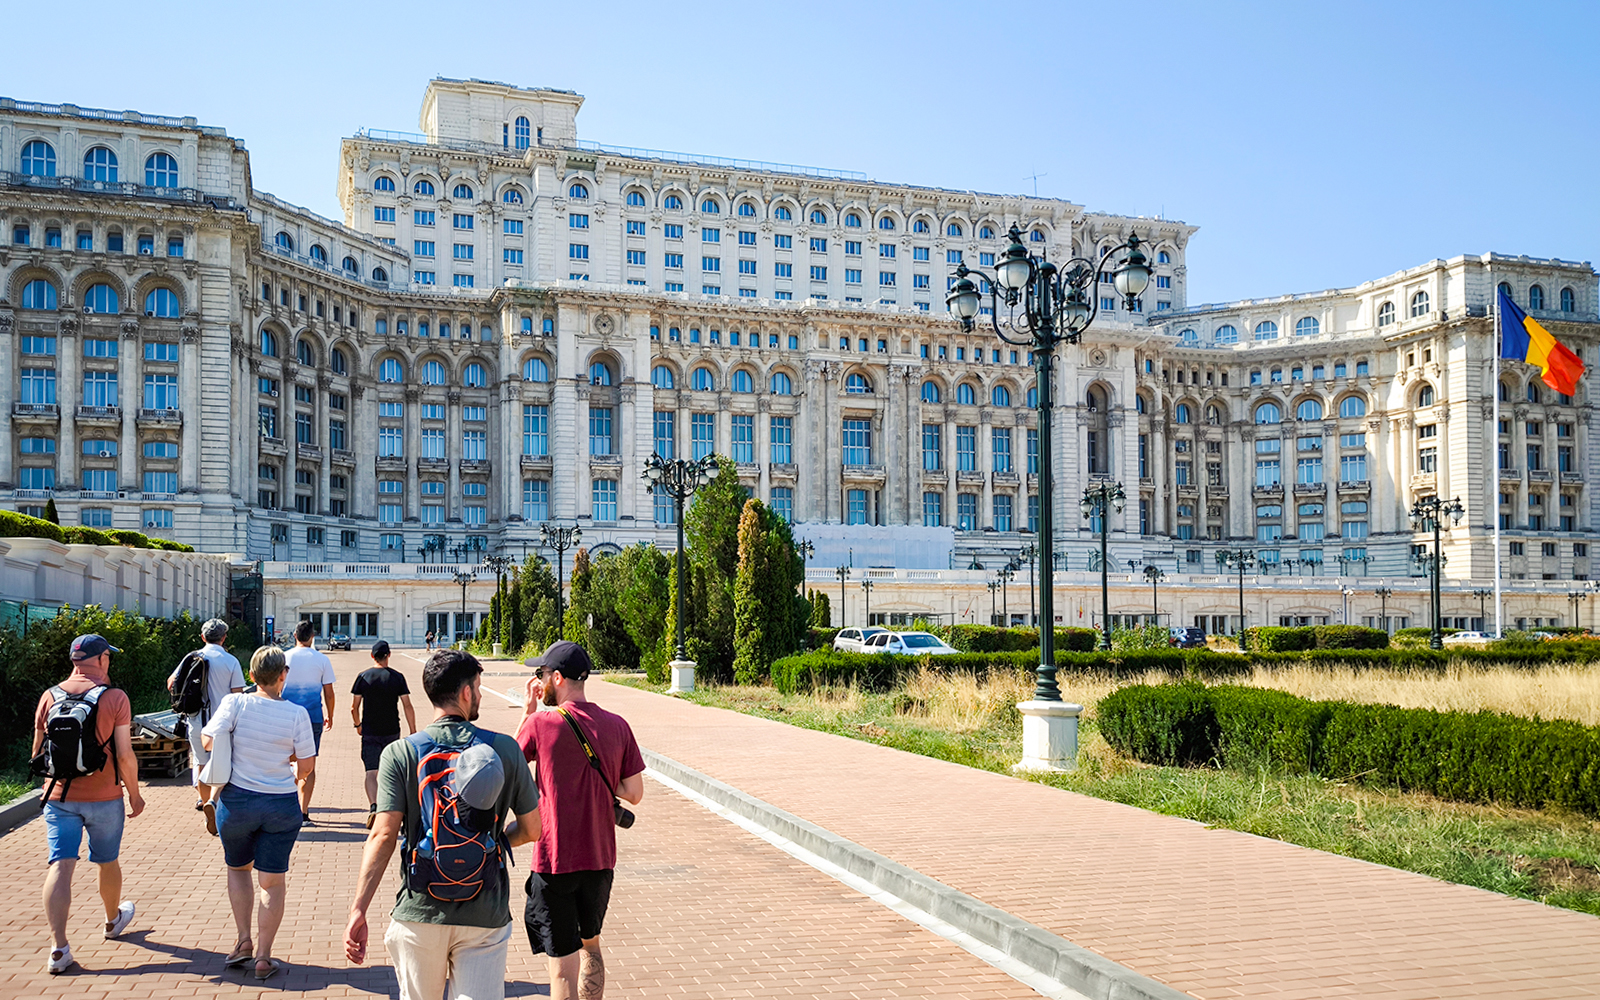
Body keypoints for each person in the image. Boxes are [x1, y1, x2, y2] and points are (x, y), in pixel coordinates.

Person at [345, 649, 541, 1000]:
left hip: (420, 908)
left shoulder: (401, 753)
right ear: (466, 693)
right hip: (485, 910)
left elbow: (384, 834)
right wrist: (497, 840)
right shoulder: (506, 750)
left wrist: (359, 908)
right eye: (478, 688)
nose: (479, 695)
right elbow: (532, 829)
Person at [515, 641, 644, 1000]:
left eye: (541, 675)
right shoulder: (618, 725)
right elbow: (634, 792)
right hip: (600, 859)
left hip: (555, 860)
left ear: (557, 678)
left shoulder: (541, 723)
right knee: (591, 946)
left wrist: (526, 711)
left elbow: (506, 767)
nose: (539, 681)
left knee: (561, 971)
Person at [202, 645, 316, 981]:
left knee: (238, 869)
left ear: (252, 676)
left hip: (237, 802)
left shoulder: (235, 703)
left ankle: (243, 940)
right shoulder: (297, 714)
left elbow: (208, 741)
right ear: (284, 675)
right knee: (273, 881)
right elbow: (306, 767)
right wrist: (287, 762)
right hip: (281, 803)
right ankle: (265, 956)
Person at [33, 634, 145, 975]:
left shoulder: (49, 696)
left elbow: (37, 753)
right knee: (107, 861)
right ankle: (112, 920)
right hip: (105, 797)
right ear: (102, 660)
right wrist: (135, 793)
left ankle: (58, 948)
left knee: (60, 866)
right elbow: (124, 755)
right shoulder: (115, 698)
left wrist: (46, 790)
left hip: (60, 797)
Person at [168, 618, 246, 835]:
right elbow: (237, 694)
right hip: (223, 722)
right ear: (224, 638)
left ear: (202, 637)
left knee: (201, 763)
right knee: (223, 763)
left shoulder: (192, 657)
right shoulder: (230, 661)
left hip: (196, 719)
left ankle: (205, 804)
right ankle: (217, 804)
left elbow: (171, 683)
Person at [350, 639, 417, 829]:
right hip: (392, 731)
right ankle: (397, 810)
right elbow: (407, 705)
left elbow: (353, 707)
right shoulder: (397, 677)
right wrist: (412, 730)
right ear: (389, 655)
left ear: (372, 656)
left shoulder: (363, 677)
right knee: (394, 773)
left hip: (370, 731)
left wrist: (358, 725)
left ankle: (374, 807)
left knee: (371, 772)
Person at [282, 621, 335, 823]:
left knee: (284, 761)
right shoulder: (321, 660)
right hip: (312, 717)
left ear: (295, 635)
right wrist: (330, 714)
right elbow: (329, 693)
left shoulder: (284, 657)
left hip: (286, 716)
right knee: (309, 764)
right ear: (312, 636)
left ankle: (285, 807)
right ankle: (303, 812)